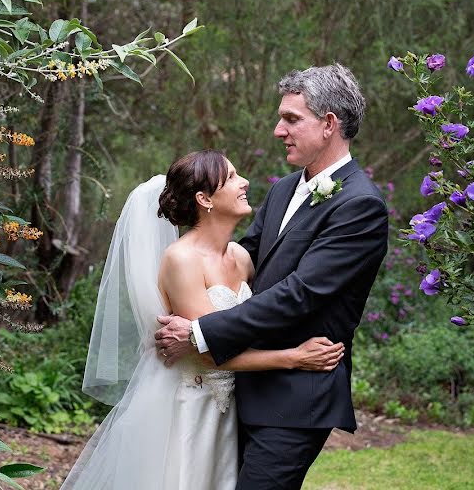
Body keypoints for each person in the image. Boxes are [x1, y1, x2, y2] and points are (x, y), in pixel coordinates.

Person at [155, 63, 391, 489]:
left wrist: (201, 333)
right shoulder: (285, 188)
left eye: (291, 119)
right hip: (244, 386)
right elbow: (246, 255)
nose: (278, 130)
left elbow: (300, 294)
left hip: (298, 396)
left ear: (329, 124)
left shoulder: (361, 205)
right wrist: (188, 268)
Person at [60, 150, 344, 489]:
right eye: (234, 177)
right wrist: (294, 358)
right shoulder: (182, 259)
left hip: (235, 411)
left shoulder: (240, 257)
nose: (245, 183)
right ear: (204, 198)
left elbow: (253, 320)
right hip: (190, 409)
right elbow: (210, 354)